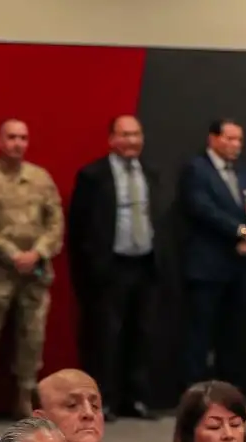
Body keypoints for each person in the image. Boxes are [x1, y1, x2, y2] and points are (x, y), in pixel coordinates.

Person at [0, 119, 64, 418]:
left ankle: (24, 398)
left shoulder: (40, 177)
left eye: (23, 138)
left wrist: (38, 251)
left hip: (35, 271)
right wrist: (11, 253)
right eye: (11, 137)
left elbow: (55, 221)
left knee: (32, 337)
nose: (17, 143)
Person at [69, 115, 158, 421]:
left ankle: (136, 398)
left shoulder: (151, 172)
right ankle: (102, 400)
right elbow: (79, 228)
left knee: (142, 333)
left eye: (137, 134)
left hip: (145, 265)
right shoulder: (93, 175)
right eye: (125, 135)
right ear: (111, 140)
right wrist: (90, 268)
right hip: (110, 268)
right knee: (105, 337)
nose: (132, 141)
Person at [181, 119, 246, 394]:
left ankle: (230, 395)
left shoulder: (244, 173)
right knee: (200, 335)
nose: (235, 145)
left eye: (239, 140)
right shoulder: (197, 169)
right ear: (213, 139)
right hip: (208, 266)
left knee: (235, 336)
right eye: (229, 139)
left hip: (240, 267)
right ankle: (195, 396)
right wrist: (240, 231)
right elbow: (202, 208)